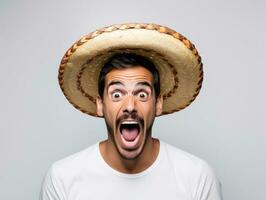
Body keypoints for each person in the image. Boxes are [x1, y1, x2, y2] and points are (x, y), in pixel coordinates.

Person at [40, 23, 222, 200]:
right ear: (100, 104)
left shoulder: (197, 178)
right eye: (117, 94)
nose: (130, 106)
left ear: (158, 104)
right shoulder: (62, 179)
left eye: (142, 94)